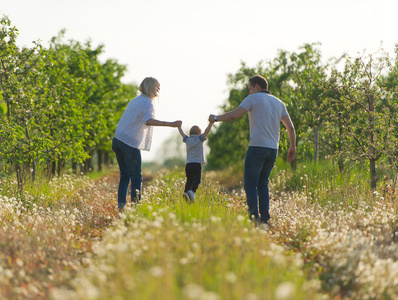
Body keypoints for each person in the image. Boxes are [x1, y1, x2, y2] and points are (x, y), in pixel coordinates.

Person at [209, 75, 296, 225]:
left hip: (257, 148)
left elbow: (234, 115)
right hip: (272, 150)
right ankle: (265, 220)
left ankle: (254, 218)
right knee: (263, 184)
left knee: (250, 183)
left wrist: (215, 118)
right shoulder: (279, 103)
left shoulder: (253, 99)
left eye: (250, 88)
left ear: (257, 86)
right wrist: (292, 146)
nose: (249, 92)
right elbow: (290, 127)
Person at [112, 77, 182, 213]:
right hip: (128, 142)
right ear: (150, 87)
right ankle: (136, 210)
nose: (159, 89)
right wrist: (170, 124)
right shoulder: (147, 103)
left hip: (118, 139)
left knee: (125, 175)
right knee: (136, 176)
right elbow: (148, 121)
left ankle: (121, 210)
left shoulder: (136, 100)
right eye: (157, 86)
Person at [178, 122, 214, 202]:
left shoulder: (187, 139)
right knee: (197, 179)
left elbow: (182, 134)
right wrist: (211, 123)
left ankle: (186, 192)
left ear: (190, 133)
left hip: (188, 164)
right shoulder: (200, 138)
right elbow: (207, 131)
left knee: (189, 180)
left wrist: (179, 127)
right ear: (199, 133)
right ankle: (192, 191)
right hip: (196, 164)